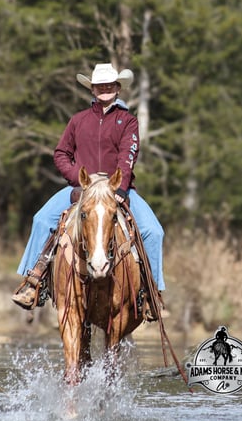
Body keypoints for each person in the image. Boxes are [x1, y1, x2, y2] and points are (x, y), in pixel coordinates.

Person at [12, 62, 166, 309]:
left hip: (117, 188)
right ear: (92, 89)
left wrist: (120, 188)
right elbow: (61, 154)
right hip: (83, 187)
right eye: (100, 85)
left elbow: (128, 155)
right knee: (41, 220)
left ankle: (151, 293)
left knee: (153, 231)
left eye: (109, 85)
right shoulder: (78, 120)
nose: (105, 88)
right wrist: (79, 177)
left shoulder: (127, 121)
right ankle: (33, 284)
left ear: (118, 87)